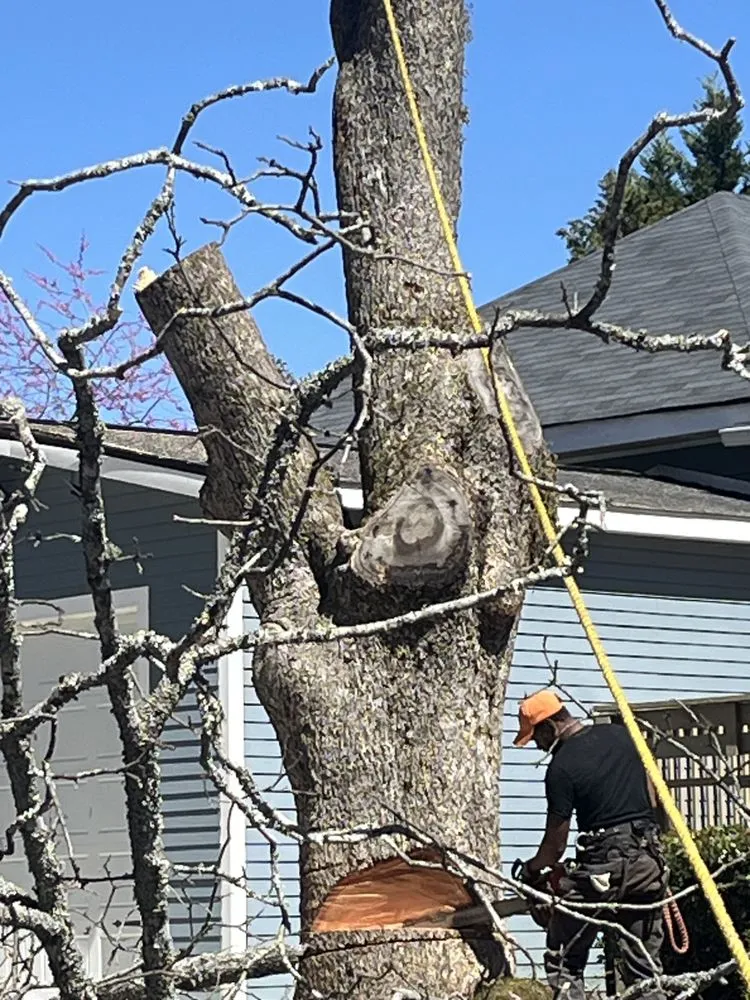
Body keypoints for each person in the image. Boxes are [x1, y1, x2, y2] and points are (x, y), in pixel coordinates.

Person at [513, 690, 667, 1000]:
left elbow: (554, 847)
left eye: (537, 738)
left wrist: (531, 871)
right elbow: (655, 797)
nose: (538, 746)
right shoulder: (622, 735)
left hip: (603, 869)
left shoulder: (561, 768)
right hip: (647, 862)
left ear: (550, 726)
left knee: (565, 960)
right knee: (645, 969)